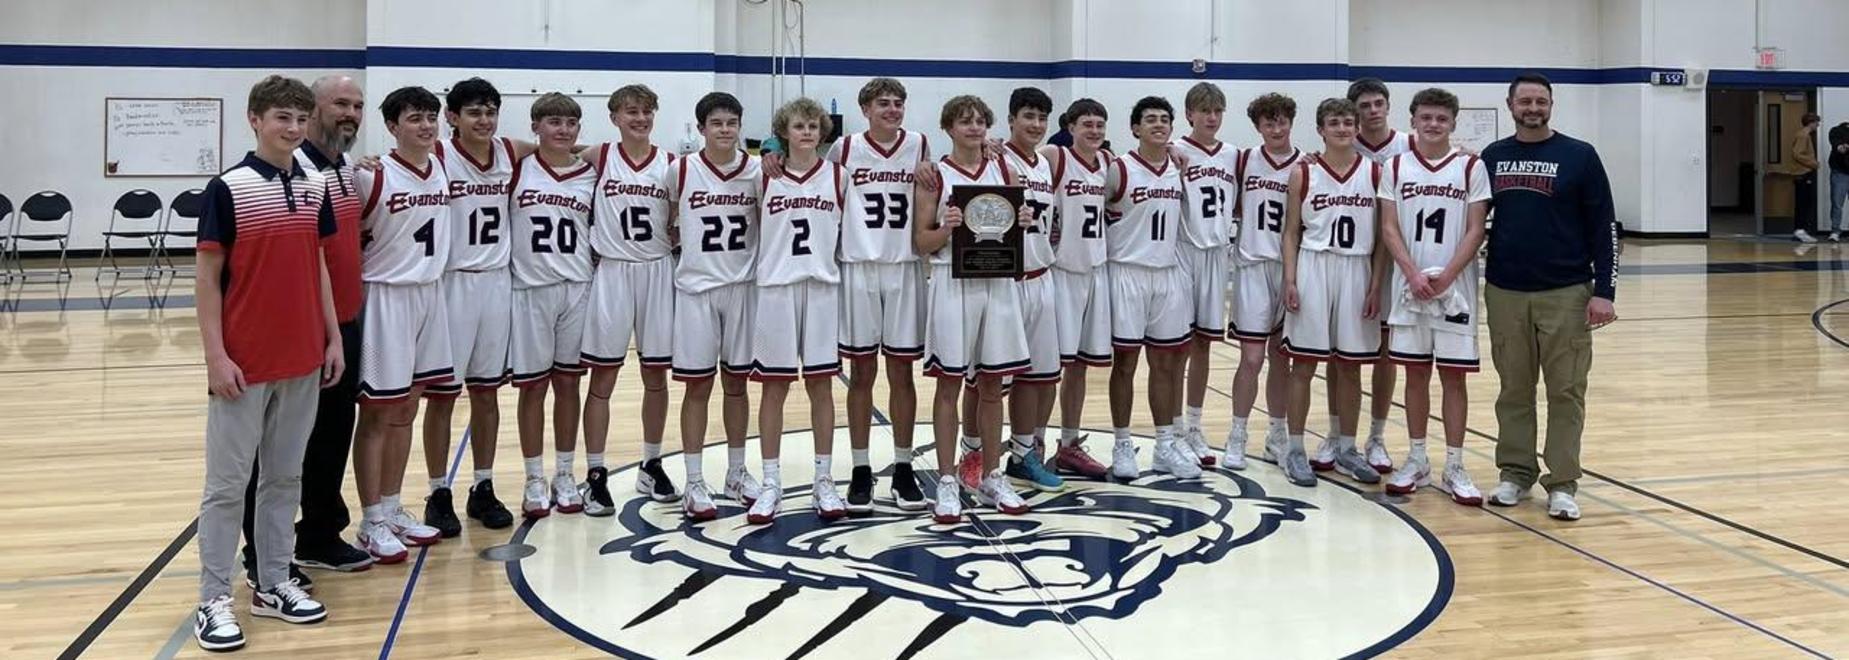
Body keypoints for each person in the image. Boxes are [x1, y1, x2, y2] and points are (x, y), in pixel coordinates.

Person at [193, 74, 340, 652]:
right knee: (228, 487)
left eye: (301, 120)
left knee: (285, 479)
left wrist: (332, 339)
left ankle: (273, 582)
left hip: (303, 357)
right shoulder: (226, 188)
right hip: (244, 363)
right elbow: (206, 279)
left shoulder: (316, 182)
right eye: (283, 118)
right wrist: (215, 357)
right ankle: (212, 597)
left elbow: (320, 267)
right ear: (255, 119)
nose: (294, 129)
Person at [237, 75, 371, 592]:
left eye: (357, 105)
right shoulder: (291, 172)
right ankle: (261, 552)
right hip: (295, 328)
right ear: (310, 110)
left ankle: (318, 532)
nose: (350, 113)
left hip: (343, 323)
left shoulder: (343, 168)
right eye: (340, 103)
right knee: (273, 449)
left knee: (332, 435)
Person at [1480, 73, 1617, 522]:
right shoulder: (1493, 157)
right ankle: (1515, 473)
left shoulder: (1579, 156)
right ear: (1510, 105)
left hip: (1567, 292)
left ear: (1551, 105)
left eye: (1540, 100)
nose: (1533, 108)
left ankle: (1562, 482)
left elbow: (1605, 227)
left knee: (1566, 391)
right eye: (1525, 101)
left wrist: (1604, 292)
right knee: (1514, 390)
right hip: (1505, 291)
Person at [915, 95, 1035, 524]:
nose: (974, 127)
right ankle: (947, 479)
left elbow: (1018, 222)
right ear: (948, 128)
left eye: (980, 121)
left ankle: (991, 473)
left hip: (998, 283)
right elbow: (920, 244)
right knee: (948, 386)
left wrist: (1020, 222)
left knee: (991, 385)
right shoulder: (934, 175)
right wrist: (944, 228)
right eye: (964, 121)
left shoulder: (1004, 169)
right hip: (951, 281)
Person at [350, 86, 454, 562]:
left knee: (407, 408)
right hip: (386, 296)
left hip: (430, 294)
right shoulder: (369, 176)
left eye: (431, 117)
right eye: (415, 118)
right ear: (392, 126)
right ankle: (370, 519)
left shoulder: (445, 166)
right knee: (376, 412)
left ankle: (391, 507)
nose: (426, 125)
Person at [1377, 87, 1491, 506]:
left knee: (1454, 377)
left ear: (1453, 123)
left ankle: (1456, 464)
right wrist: (1411, 272)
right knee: (1414, 373)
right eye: (1426, 117)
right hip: (1409, 288)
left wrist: (1446, 276)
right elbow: (1389, 227)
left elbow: (1476, 228)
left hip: (1453, 289)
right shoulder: (1395, 166)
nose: (1433, 124)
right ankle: (1418, 457)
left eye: (1441, 119)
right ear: (1413, 120)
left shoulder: (1470, 167)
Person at [419, 77, 516, 535]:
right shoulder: (437, 155)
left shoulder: (511, 153)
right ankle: (438, 491)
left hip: (497, 283)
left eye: (491, 111)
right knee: (442, 396)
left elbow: (563, 148)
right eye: (475, 112)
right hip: (453, 283)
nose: (485, 120)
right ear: (452, 118)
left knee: (486, 391)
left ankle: (482, 485)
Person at [579, 84, 681, 515]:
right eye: (631, 112)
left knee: (655, 377)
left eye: (646, 111)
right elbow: (542, 153)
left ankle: (651, 462)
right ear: (615, 117)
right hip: (614, 271)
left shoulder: (672, 164)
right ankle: (596, 473)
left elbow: (680, 215)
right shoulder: (599, 157)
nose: (640, 118)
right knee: (603, 379)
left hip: (658, 270)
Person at [830, 78, 930, 514]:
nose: (892, 110)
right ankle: (859, 468)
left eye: (898, 103)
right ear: (865, 109)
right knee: (862, 371)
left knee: (903, 373)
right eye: (883, 103)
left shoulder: (921, 145)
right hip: (859, 266)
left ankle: (904, 467)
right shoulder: (845, 149)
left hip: (905, 267)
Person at [750, 97, 848, 523]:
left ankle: (823, 480)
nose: (806, 132)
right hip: (776, 288)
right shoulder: (762, 174)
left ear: (822, 132)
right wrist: (766, 152)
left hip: (823, 287)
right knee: (774, 388)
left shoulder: (839, 176)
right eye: (798, 126)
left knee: (822, 387)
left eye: (813, 126)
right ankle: (771, 481)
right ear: (783, 132)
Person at [1279, 98, 1384, 487]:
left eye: (1347, 122)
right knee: (1303, 364)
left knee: (1350, 365)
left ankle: (1346, 447)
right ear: (1320, 130)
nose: (1342, 128)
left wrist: (1375, 283)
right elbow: (1291, 232)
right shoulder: (1303, 173)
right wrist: (1290, 279)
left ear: (1357, 128)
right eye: (1334, 122)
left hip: (1356, 266)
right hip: (1314, 265)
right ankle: (1294, 449)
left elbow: (1383, 239)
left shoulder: (1375, 173)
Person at [671, 92, 763, 520]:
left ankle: (737, 470)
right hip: (697, 290)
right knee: (697, 387)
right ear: (701, 128)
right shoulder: (682, 169)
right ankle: (693, 479)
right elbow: (666, 220)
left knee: (737, 385)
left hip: (742, 286)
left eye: (731, 122)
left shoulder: (759, 172)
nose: (725, 130)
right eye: (716, 123)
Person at [507, 92, 598, 518]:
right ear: (536, 126)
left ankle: (564, 472)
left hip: (576, 286)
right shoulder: (515, 169)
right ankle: (533, 477)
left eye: (570, 123)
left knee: (568, 385)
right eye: (554, 122)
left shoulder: (591, 174)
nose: (563, 130)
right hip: (530, 289)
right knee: (532, 388)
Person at [1100, 96, 1198, 482]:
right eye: (1150, 120)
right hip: (1127, 272)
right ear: (1135, 128)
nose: (1158, 125)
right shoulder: (1118, 169)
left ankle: (1164, 445)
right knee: (1124, 364)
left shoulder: (1179, 168)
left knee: (1166, 364)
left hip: (1167, 272)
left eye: (1164, 120)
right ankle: (1122, 444)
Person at [1224, 93, 1308, 485]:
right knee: (1252, 359)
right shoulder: (1244, 160)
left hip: (1292, 268)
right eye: (1268, 123)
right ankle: (1237, 434)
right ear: (1258, 127)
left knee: (1282, 359)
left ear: (1292, 122)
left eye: (1282, 121)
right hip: (1254, 266)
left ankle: (1276, 436)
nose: (1276, 129)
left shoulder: (1307, 165)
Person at [994, 86, 1065, 492]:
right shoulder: (996, 158)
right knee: (987, 380)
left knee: (1035, 378)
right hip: (1005, 280)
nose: (1036, 125)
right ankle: (973, 454)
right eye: (1028, 117)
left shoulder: (1045, 163)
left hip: (1041, 276)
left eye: (1041, 118)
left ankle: (1023, 456)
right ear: (1011, 120)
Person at [1046, 99, 1116, 480]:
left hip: (1095, 271)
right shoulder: (1055, 157)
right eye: (1087, 124)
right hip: (1061, 271)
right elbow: (1015, 155)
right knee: (1047, 369)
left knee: (1079, 367)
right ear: (1070, 127)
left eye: (1099, 124)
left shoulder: (1108, 163)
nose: (1094, 130)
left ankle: (1069, 443)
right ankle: (1033, 444)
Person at [1171, 82, 1238, 468]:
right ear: (1190, 115)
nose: (1211, 117)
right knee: (1178, 345)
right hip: (1182, 253)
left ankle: (1194, 425)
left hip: (1217, 255)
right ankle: (1177, 427)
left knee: (1203, 345)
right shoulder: (1174, 150)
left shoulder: (1233, 155)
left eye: (1217, 111)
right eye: (1204, 111)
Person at [1343, 77, 1407, 474]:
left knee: (1386, 352)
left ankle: (1378, 435)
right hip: (1350, 259)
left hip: (1395, 259)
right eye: (1364, 106)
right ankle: (1340, 434)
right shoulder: (1343, 143)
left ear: (1388, 105)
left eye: (1377, 103)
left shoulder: (1408, 146)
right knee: (1341, 354)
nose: (1372, 111)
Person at [1791, 113, 1821, 243]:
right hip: (1804, 173)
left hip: (1803, 173)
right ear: (1811, 122)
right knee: (1803, 203)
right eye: (1817, 122)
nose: (1818, 125)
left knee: (1804, 202)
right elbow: (1797, 154)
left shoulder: (1804, 135)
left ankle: (1801, 230)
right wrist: (1813, 163)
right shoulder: (1803, 136)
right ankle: (1800, 230)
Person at [1830, 120, 1849, 241]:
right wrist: (1844, 147)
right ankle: (1835, 231)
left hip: (1840, 172)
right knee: (1837, 203)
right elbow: (1840, 149)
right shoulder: (1836, 131)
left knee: (1837, 204)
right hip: (1840, 172)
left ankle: (1835, 231)